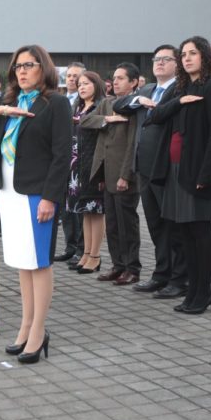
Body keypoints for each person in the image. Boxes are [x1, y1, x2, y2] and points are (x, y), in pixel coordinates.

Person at [0, 45, 71, 363]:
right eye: (17, 67)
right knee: (23, 263)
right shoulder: (9, 101)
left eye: (29, 65)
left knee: (39, 263)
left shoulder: (56, 103)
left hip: (37, 195)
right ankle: (25, 326)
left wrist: (51, 197)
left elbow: (62, 154)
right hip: (9, 193)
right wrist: (0, 111)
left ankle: (38, 331)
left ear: (44, 68)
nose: (21, 71)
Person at [150, 36, 211, 315]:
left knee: (200, 234)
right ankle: (195, 291)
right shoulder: (182, 87)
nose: (186, 58)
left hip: (198, 172)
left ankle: (203, 291)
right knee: (184, 234)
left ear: (204, 56)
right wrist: (180, 101)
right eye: (183, 54)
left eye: (192, 53)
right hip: (174, 170)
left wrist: (206, 173)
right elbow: (155, 115)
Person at [115, 45, 189, 299]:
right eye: (156, 59)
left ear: (177, 64)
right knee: (156, 226)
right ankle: (162, 273)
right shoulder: (146, 90)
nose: (159, 63)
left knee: (174, 226)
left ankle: (180, 279)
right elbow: (119, 104)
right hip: (145, 169)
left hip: (169, 168)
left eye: (166, 59)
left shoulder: (181, 90)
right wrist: (138, 99)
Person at [83, 62, 141, 286]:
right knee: (113, 225)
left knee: (128, 224)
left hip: (123, 175)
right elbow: (85, 120)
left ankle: (132, 268)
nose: (115, 82)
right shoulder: (107, 103)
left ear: (134, 82)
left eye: (121, 78)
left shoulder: (135, 106)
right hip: (105, 174)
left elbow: (132, 145)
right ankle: (118, 265)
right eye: (114, 78)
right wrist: (107, 119)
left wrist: (126, 175)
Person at [67, 71, 107, 274]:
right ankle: (85, 253)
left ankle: (95, 256)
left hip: (93, 166)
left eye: (86, 84)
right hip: (76, 166)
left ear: (96, 85)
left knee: (96, 211)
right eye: (79, 84)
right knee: (85, 212)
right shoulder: (78, 106)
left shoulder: (102, 105)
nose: (81, 87)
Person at [55, 62, 86, 266]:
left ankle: (82, 250)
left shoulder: (85, 102)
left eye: (76, 76)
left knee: (80, 208)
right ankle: (70, 246)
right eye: (70, 75)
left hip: (79, 159)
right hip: (63, 159)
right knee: (66, 207)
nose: (72, 79)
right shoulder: (62, 99)